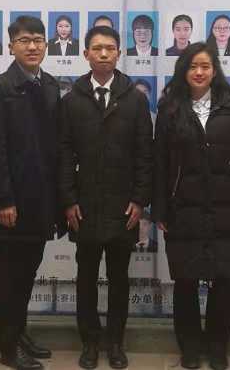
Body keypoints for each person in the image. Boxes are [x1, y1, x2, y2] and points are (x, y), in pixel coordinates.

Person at [153, 42, 230, 370]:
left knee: (221, 281)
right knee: (185, 281)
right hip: (182, 209)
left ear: (215, 70)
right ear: (183, 71)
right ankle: (189, 346)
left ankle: (217, 347)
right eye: (193, 66)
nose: (199, 72)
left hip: (225, 209)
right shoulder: (170, 108)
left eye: (205, 66)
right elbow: (160, 163)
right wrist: (160, 209)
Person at [58, 25, 153, 370]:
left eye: (109, 48)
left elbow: (145, 154)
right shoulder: (72, 100)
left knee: (119, 278)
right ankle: (89, 342)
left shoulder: (135, 99)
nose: (103, 54)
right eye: (96, 48)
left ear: (118, 53)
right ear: (85, 54)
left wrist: (139, 200)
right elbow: (63, 154)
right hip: (83, 206)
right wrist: (69, 200)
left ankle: (115, 342)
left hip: (123, 206)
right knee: (85, 277)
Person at [0, 16, 63, 370]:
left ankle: (19, 332)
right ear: (11, 45)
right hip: (12, 200)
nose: (32, 46)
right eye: (25, 40)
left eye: (38, 40)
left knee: (28, 270)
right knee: (10, 273)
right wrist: (3, 199)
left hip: (42, 199)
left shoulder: (51, 85)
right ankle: (7, 346)